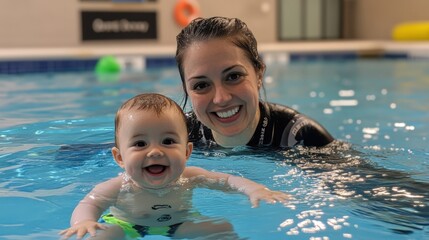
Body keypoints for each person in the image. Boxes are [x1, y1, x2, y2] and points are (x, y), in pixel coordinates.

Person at [59, 93, 291, 240]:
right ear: (119, 158)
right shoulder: (118, 186)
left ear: (187, 151)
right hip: (126, 225)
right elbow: (90, 203)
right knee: (100, 237)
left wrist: (253, 189)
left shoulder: (190, 177)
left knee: (222, 227)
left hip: (180, 224)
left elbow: (227, 180)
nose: (155, 151)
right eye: (140, 143)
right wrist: (84, 222)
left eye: (168, 141)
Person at [175, 16, 334, 148]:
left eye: (233, 76)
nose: (221, 98)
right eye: (201, 85)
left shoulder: (301, 137)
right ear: (186, 90)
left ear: (259, 75)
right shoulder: (177, 136)